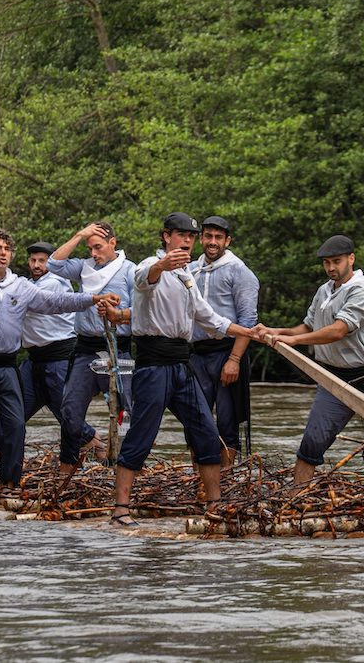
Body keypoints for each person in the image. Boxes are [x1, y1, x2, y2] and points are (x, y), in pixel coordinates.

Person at [100, 213, 258, 526]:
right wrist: (162, 265)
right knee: (142, 434)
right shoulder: (149, 264)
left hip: (181, 364)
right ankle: (121, 509)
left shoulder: (188, 277)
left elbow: (211, 319)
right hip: (153, 364)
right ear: (166, 237)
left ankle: (214, 505)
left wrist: (250, 333)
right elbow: (145, 278)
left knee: (206, 432)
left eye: (190, 236)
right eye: (180, 235)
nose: (187, 241)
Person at [0, 230, 120, 487]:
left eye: (7, 248)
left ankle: (10, 483)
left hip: (8, 365)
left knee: (15, 424)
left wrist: (93, 299)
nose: (4, 253)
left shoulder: (20, 286)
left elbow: (55, 302)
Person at [253, 234, 364, 485]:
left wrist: (294, 342)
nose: (331, 268)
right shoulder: (324, 291)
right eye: (327, 263)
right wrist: (277, 332)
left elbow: (338, 330)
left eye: (337, 261)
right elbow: (308, 328)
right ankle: (295, 497)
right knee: (311, 443)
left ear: (351, 259)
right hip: (333, 379)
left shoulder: (363, 291)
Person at [47, 221, 135, 474]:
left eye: (98, 247)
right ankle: (69, 463)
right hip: (86, 348)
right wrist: (79, 235)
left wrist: (118, 314)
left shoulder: (130, 271)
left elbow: (142, 312)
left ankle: (122, 464)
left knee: (124, 411)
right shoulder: (84, 267)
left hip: (118, 349)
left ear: (113, 243)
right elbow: (54, 264)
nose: (94, 254)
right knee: (70, 409)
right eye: (90, 248)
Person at [187, 215, 259, 465]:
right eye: (208, 236)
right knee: (194, 418)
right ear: (201, 239)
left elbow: (248, 320)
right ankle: (200, 476)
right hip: (197, 354)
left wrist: (235, 360)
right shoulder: (190, 269)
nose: (212, 242)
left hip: (228, 352)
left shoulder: (240, 271)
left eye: (218, 237)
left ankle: (227, 479)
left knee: (227, 421)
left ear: (228, 241)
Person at [19, 241, 77, 454]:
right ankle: (6, 456)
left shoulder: (55, 282)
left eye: (42, 261)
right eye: (33, 260)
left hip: (58, 358)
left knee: (67, 414)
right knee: (15, 412)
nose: (36, 265)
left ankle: (94, 443)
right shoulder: (27, 283)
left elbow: (24, 300)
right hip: (34, 359)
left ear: (51, 262)